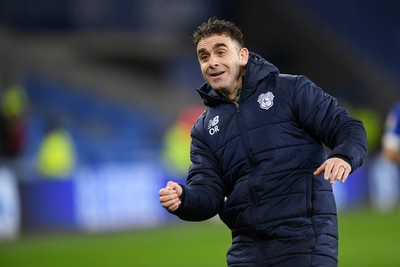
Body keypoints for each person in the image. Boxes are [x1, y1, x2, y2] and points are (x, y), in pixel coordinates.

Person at [159, 17, 367, 267]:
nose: (212, 62)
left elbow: (347, 127)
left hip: (305, 240)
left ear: (243, 56)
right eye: (204, 56)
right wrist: (185, 199)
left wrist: (342, 156)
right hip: (248, 251)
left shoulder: (291, 90)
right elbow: (208, 192)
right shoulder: (204, 129)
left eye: (221, 52)